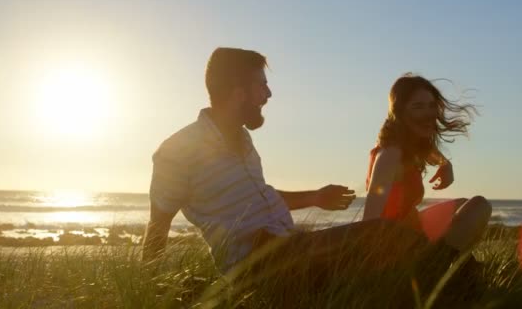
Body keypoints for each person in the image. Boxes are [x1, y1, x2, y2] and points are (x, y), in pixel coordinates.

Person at [142, 48, 429, 287]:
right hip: (259, 265)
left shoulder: (243, 139)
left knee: (384, 261)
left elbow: (260, 196)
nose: (268, 94)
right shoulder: (177, 150)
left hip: (291, 249)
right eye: (262, 85)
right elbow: (158, 224)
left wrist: (314, 197)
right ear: (238, 91)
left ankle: (450, 283)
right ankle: (455, 283)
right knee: (380, 233)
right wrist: (148, 291)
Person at [363, 73, 492, 254]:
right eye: (418, 107)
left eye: (431, 106)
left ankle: (448, 263)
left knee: (466, 205)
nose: (428, 114)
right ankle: (441, 266)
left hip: (409, 230)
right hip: (394, 245)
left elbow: (432, 153)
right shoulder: (390, 155)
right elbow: (369, 221)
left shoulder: (409, 145)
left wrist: (446, 165)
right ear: (400, 112)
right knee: (480, 205)